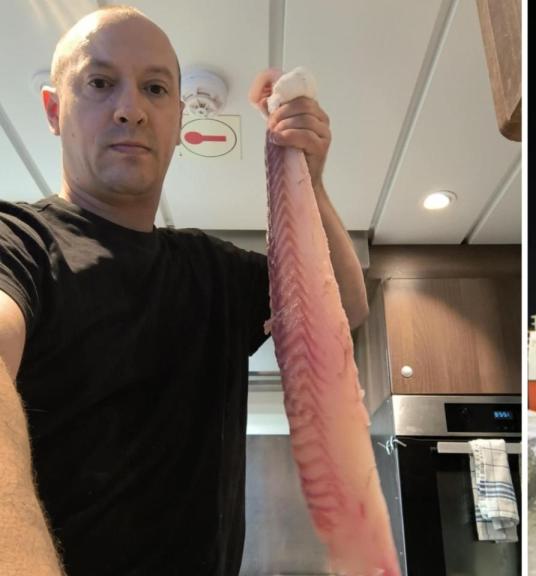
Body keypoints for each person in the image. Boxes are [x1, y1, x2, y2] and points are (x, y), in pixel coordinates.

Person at [0, 6, 367, 575]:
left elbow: (342, 307)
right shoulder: (17, 241)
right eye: (100, 83)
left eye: (155, 89)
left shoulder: (213, 271)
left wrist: (308, 179)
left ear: (176, 119)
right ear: (54, 109)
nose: (131, 109)